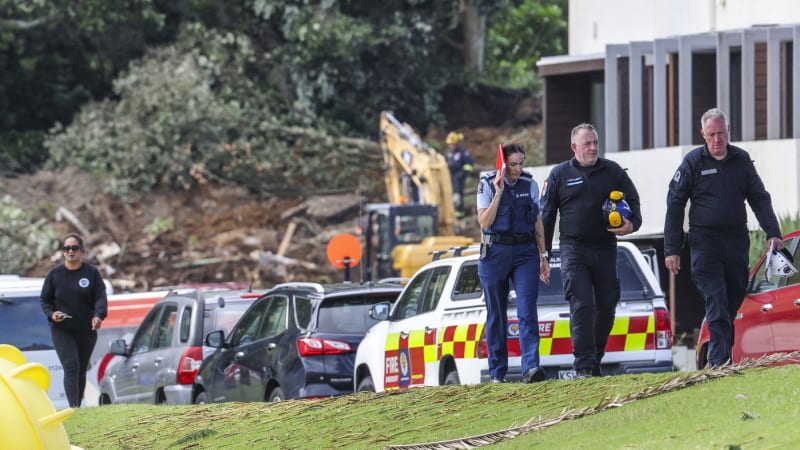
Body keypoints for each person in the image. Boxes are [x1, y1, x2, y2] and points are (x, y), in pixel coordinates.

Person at [664, 108, 782, 368]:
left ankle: (719, 356)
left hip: (736, 241)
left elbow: (759, 197)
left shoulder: (741, 160)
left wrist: (773, 231)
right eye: (711, 134)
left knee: (734, 296)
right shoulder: (693, 162)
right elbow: (674, 204)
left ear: (729, 132)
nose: (717, 140)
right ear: (702, 135)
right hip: (704, 244)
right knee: (716, 299)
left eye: (721, 133)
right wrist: (671, 248)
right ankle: (720, 361)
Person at [540, 123, 642, 378]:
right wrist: (542, 255)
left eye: (595, 142)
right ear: (574, 147)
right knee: (582, 303)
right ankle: (584, 365)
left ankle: (595, 356)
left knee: (607, 304)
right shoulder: (559, 175)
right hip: (573, 249)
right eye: (587, 144)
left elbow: (634, 200)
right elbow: (547, 217)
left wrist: (632, 224)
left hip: (606, 247)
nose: (593, 148)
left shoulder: (613, 171)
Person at [477, 142, 550, 383]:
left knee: (527, 309)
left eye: (521, 164)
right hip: (495, 251)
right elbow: (484, 223)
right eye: (513, 164)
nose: (518, 169)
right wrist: (498, 192)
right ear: (503, 164)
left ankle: (531, 368)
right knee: (496, 312)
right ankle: (498, 373)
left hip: (525, 252)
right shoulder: (486, 184)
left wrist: (544, 256)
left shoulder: (529, 184)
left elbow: (538, 222)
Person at [40, 233, 108, 407]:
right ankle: (74, 408)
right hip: (62, 330)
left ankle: (78, 405)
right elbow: (44, 300)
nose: (71, 251)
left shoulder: (91, 273)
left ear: (82, 251)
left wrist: (98, 316)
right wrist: (51, 314)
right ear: (63, 252)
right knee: (71, 365)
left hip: (86, 330)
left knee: (80, 369)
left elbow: (100, 297)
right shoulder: (54, 275)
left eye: (74, 248)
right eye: (67, 248)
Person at [445, 131, 475, 219]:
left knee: (458, 195)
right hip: (450, 176)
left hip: (459, 176)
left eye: (452, 144)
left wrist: (462, 173)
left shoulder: (463, 152)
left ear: (456, 143)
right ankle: (451, 213)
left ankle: (459, 215)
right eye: (449, 144)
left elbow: (469, 164)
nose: (450, 146)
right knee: (450, 194)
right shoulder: (448, 153)